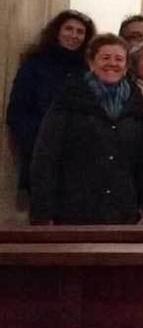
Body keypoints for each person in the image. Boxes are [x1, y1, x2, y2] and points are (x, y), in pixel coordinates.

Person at [30, 34, 143, 225]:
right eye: (105, 58)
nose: (112, 64)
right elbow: (46, 157)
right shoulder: (68, 101)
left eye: (119, 59)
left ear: (126, 67)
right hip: (74, 211)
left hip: (124, 211)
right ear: (91, 63)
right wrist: (43, 211)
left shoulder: (137, 108)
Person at [6, 10, 94, 195]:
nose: (74, 35)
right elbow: (18, 112)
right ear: (57, 32)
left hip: (83, 158)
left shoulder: (89, 70)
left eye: (80, 32)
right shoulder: (35, 65)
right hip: (43, 154)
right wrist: (40, 144)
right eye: (68, 29)